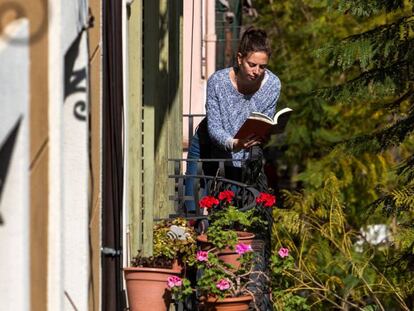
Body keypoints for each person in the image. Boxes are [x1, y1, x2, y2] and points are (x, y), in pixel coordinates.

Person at [185, 26, 281, 211]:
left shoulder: (273, 85)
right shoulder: (218, 82)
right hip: (207, 147)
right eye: (252, 64)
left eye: (263, 66)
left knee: (232, 211)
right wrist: (234, 143)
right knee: (193, 209)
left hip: (242, 155)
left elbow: (263, 122)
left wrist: (266, 133)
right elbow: (214, 128)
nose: (257, 71)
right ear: (239, 59)